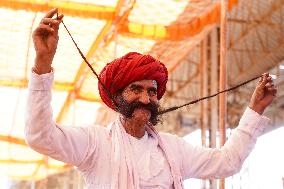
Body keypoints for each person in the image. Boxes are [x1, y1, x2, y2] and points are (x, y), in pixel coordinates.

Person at [25, 8, 277, 189]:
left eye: (152, 91)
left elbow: (227, 162)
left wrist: (254, 110)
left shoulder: (174, 149)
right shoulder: (95, 143)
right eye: (136, 89)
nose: (146, 98)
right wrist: (43, 64)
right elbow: (40, 137)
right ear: (117, 96)